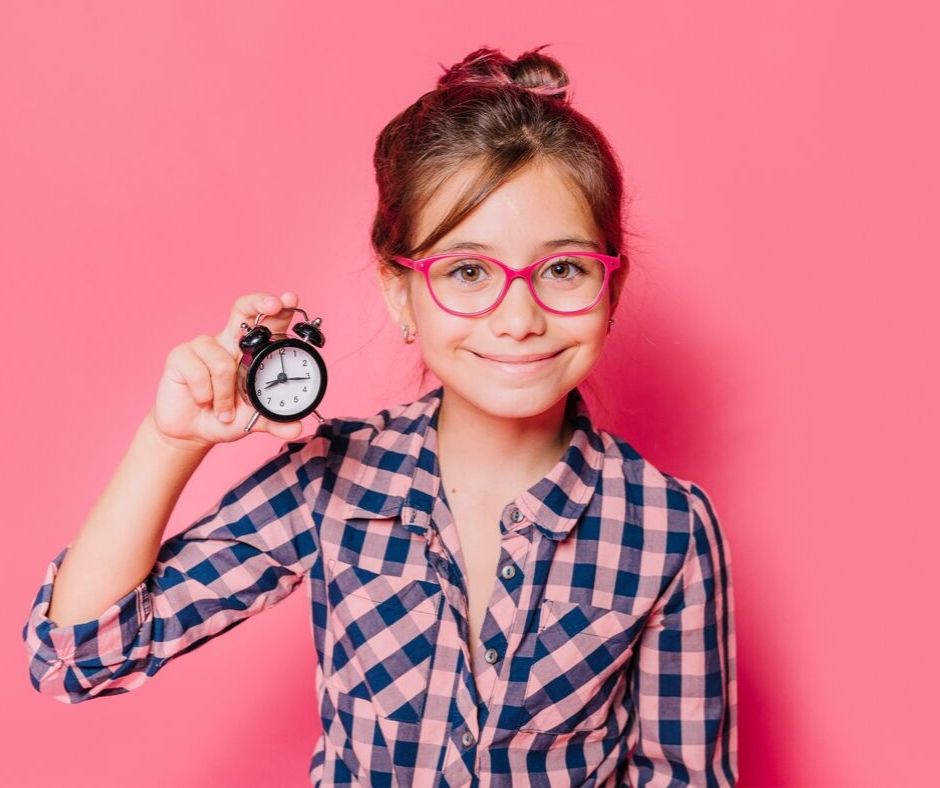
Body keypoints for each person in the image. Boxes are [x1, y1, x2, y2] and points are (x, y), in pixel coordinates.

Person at [22, 45, 738, 787]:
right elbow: (78, 658)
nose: (518, 317)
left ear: (610, 287)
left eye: (562, 269)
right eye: (467, 271)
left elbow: (684, 776)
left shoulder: (669, 529)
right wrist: (169, 441)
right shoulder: (329, 483)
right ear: (400, 293)